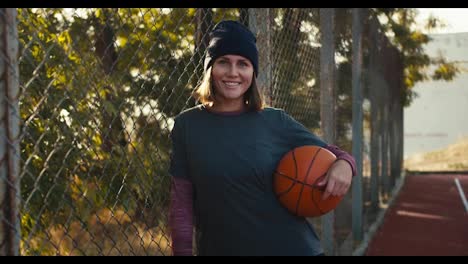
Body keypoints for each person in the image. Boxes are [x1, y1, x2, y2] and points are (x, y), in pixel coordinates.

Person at [168, 20, 356, 256]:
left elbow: (339, 156)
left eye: (243, 64)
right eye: (223, 62)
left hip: (293, 249)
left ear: (253, 72)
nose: (233, 72)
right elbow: (181, 204)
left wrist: (344, 165)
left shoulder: (275, 121)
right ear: (210, 69)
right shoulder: (187, 126)